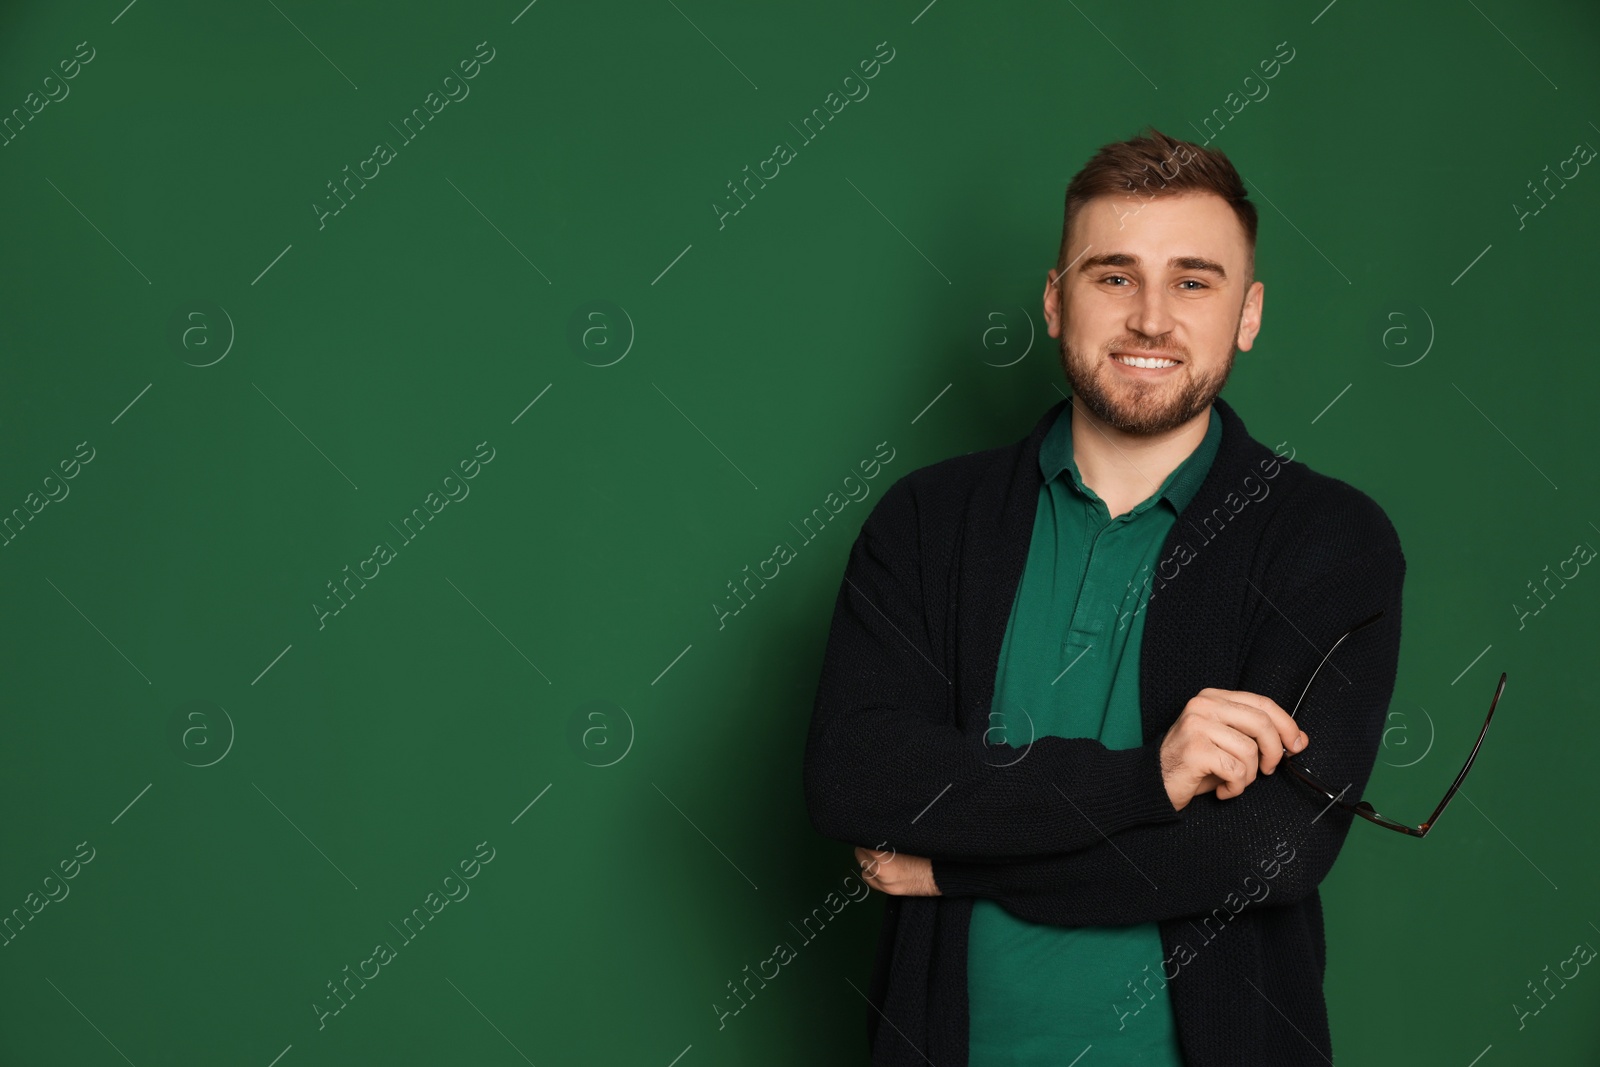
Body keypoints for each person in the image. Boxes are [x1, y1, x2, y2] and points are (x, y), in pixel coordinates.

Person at [803, 126, 1406, 1066]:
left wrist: (956, 862)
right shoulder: (926, 521)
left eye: (1193, 281)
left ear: (1248, 313)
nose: (1152, 320)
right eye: (1114, 276)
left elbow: (1263, 852)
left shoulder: (1327, 540)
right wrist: (1149, 782)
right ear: (1055, 300)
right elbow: (858, 775)